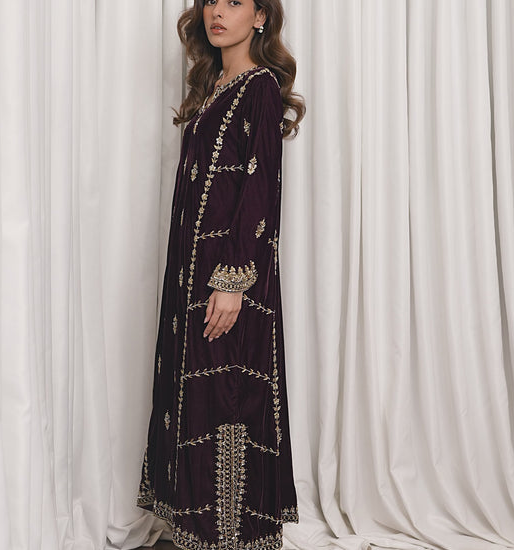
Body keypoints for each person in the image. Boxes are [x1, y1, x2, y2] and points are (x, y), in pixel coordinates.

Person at [137, 0, 305, 548]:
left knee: (229, 393)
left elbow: (259, 190)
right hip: (194, 273)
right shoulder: (213, 90)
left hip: (231, 276)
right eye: (212, 0)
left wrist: (233, 282)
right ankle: (197, 529)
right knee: (199, 395)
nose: (217, 12)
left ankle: (231, 534)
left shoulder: (259, 87)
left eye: (235, 2)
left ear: (260, 17)